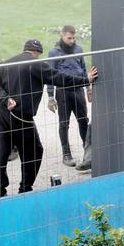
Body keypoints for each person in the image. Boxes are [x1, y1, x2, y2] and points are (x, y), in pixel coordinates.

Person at [0, 38, 98, 198]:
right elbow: (60, 78)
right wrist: (85, 80)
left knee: (2, 151)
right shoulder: (36, 64)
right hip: (20, 116)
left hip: (1, 114)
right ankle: (25, 188)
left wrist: (5, 99)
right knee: (34, 151)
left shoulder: (8, 62)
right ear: (37, 53)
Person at [47, 25, 91, 166]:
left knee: (83, 121)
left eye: (73, 38)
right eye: (69, 38)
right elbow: (50, 75)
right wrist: (50, 96)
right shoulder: (54, 52)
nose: (72, 41)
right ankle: (66, 155)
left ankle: (88, 153)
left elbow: (84, 69)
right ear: (62, 35)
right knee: (64, 123)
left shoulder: (78, 50)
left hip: (78, 90)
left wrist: (88, 89)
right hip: (63, 92)